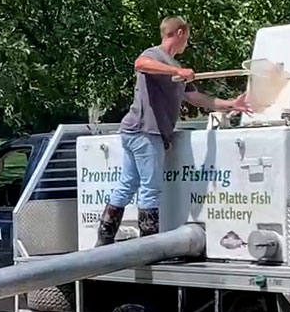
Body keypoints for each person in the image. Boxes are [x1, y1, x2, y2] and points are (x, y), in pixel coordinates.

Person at [96, 16, 252, 246]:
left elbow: (196, 98)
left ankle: (104, 239)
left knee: (128, 184)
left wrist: (230, 104)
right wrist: (174, 70)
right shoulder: (155, 55)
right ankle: (148, 247)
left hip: (135, 131)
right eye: (186, 38)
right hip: (145, 131)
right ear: (179, 33)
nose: (186, 44)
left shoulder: (177, 67)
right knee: (150, 188)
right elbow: (140, 64)